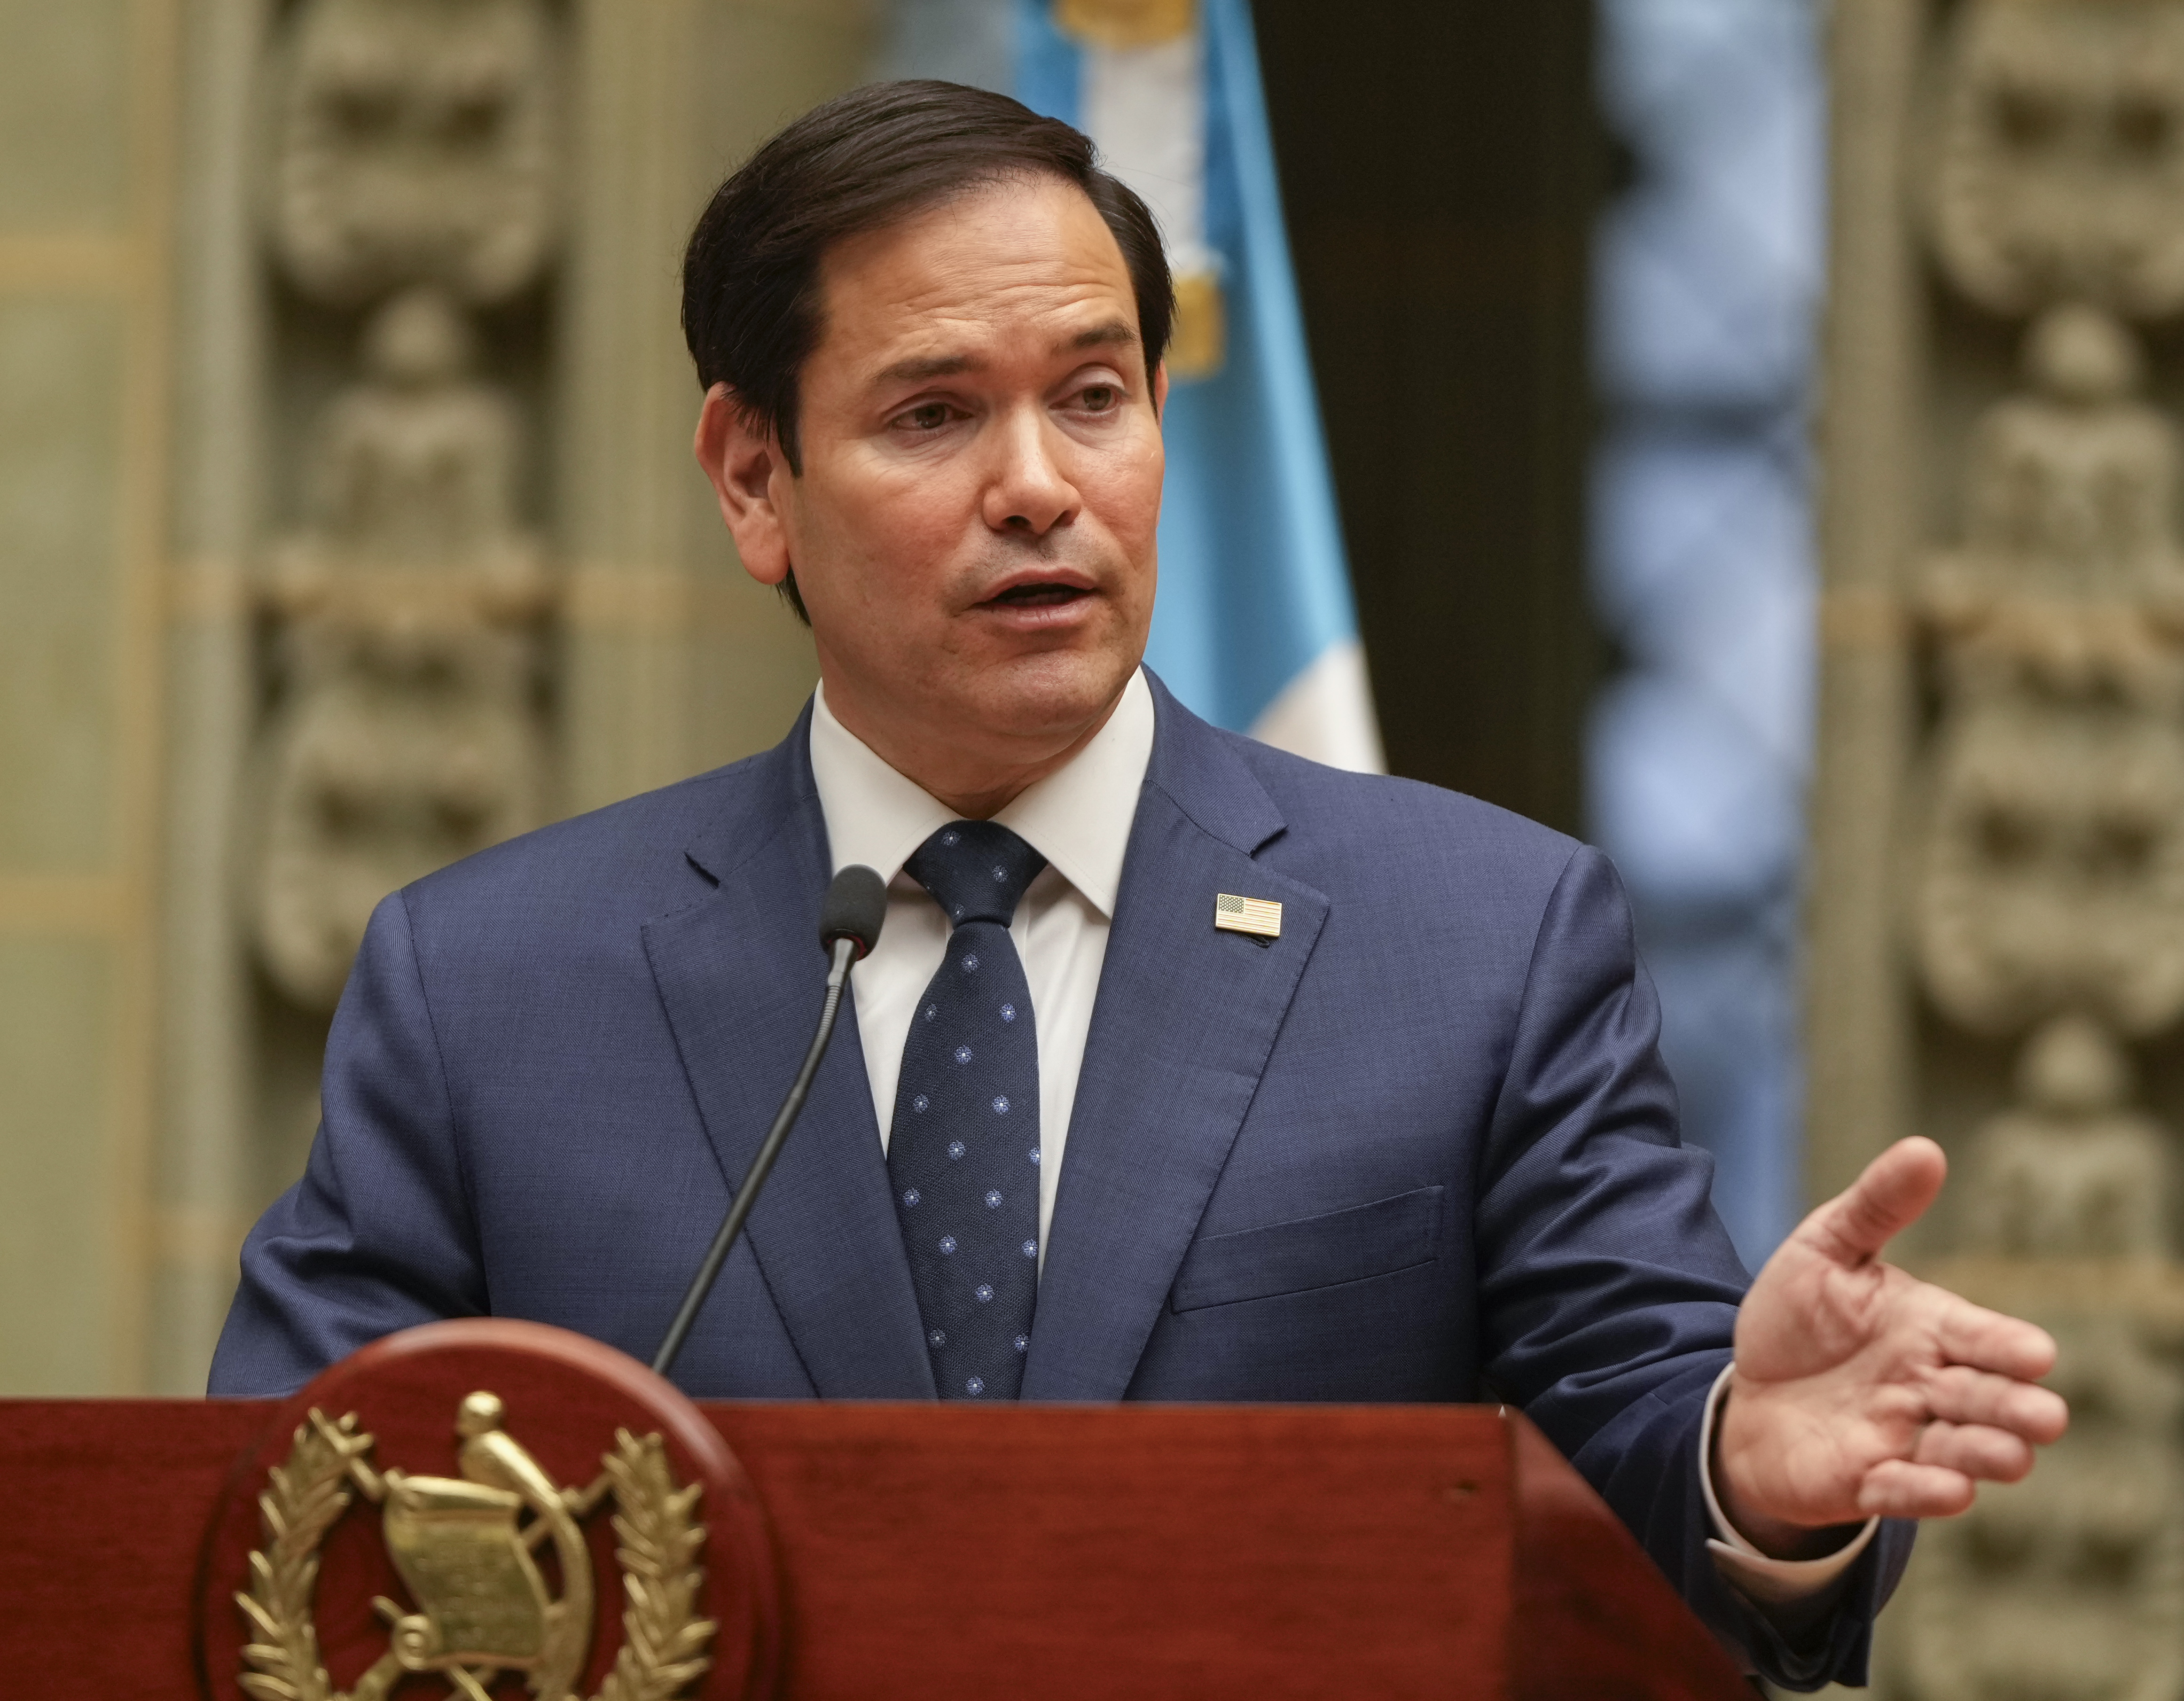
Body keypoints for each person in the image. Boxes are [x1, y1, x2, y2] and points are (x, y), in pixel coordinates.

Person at [211, 81, 2066, 1690]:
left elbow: (1650, 1504)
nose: (1041, 486)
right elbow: (279, 1542)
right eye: (933, 415)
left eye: (1096, 393)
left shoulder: (1476, 942)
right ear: (752, 475)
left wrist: (1751, 1460)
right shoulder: (490, 986)